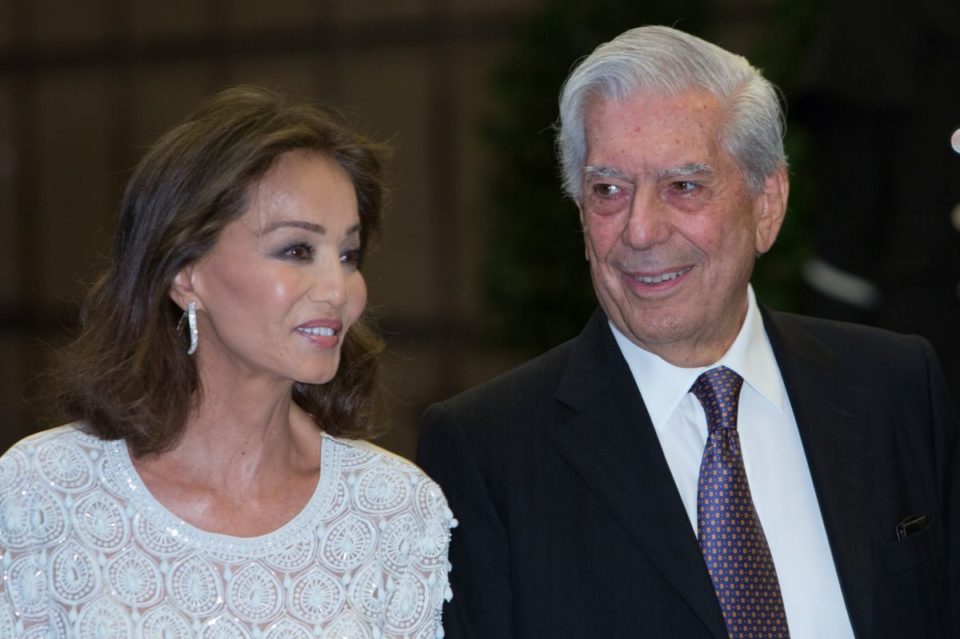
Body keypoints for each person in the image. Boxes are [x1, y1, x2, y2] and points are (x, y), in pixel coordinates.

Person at [417, 25, 958, 639]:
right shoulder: (487, 451)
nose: (641, 230)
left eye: (683, 186)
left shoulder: (895, 388)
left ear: (767, 204)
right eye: (609, 190)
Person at [0, 86, 453, 637]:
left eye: (348, 254)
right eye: (296, 250)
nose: (340, 290)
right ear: (184, 272)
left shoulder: (395, 510)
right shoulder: (41, 492)